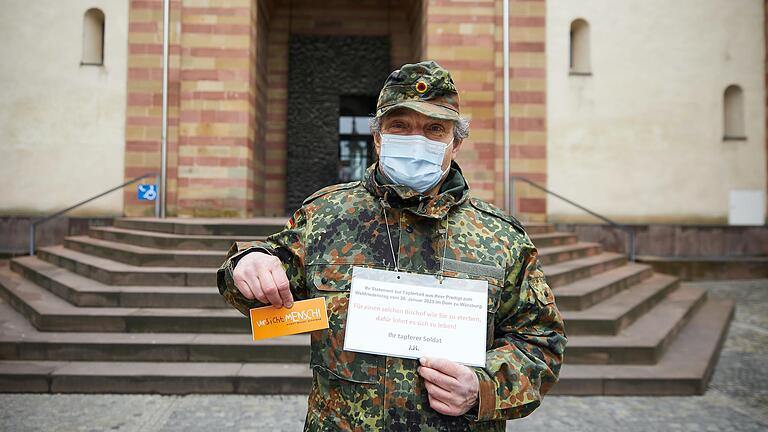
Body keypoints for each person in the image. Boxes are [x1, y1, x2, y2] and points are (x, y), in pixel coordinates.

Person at [217, 60, 567, 431]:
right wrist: (247, 263)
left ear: (456, 142)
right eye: (400, 126)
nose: (417, 141)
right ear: (379, 136)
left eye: (435, 129)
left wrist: (482, 387)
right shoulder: (325, 215)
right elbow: (259, 289)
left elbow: (540, 342)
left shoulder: (501, 237)